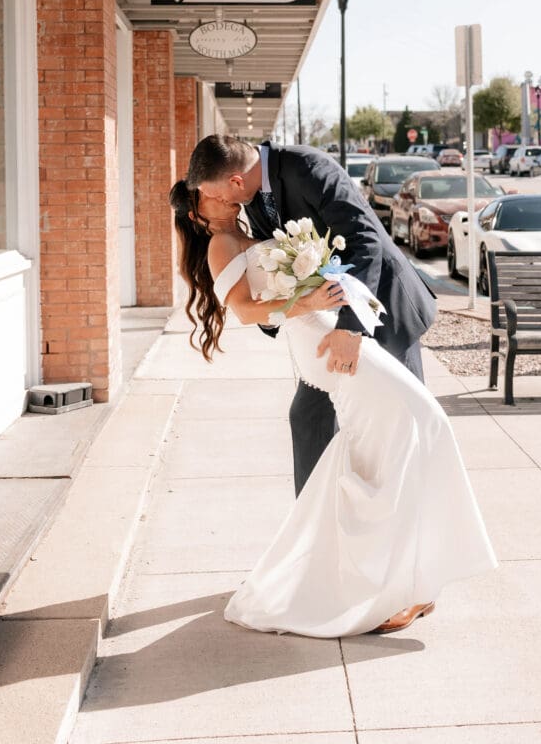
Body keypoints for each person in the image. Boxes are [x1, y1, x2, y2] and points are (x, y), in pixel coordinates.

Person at [169, 180, 498, 639]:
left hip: (332, 328)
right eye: (209, 196)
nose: (224, 196)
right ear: (194, 214)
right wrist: (308, 299)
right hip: (320, 342)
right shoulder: (220, 245)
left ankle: (412, 581)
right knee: (411, 426)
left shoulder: (250, 226)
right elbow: (245, 311)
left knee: (410, 431)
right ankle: (396, 588)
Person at [186, 135, 438, 497]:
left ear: (236, 181)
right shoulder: (252, 199)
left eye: (219, 194)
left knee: (408, 417)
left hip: (378, 309)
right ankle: (317, 520)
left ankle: (415, 515)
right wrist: (286, 314)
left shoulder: (309, 167)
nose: (222, 202)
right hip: (322, 322)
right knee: (308, 417)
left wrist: (351, 331)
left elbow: (365, 240)